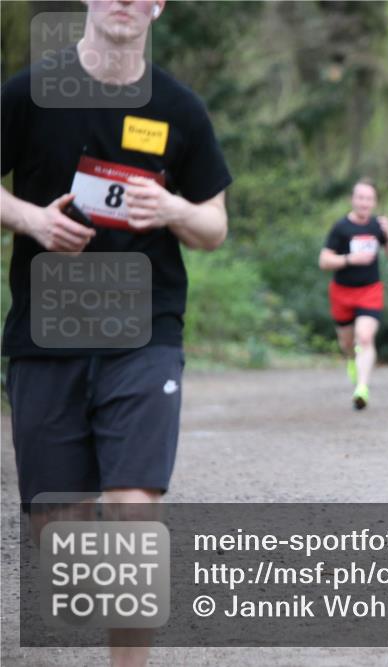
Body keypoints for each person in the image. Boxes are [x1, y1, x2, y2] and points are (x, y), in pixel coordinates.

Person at [1, 1, 231, 665]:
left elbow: (214, 225)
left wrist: (176, 208)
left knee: (136, 513)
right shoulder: (27, 95)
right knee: (59, 532)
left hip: (145, 332)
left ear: (157, 6)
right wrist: (30, 220)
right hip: (46, 336)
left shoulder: (178, 108)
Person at [319, 179, 388, 409]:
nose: (364, 203)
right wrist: (349, 259)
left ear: (374, 202)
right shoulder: (341, 228)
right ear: (352, 200)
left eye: (369, 199)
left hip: (370, 290)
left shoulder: (378, 226)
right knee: (347, 343)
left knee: (364, 337)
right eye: (360, 198)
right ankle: (351, 359)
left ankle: (362, 388)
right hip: (342, 292)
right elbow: (324, 260)